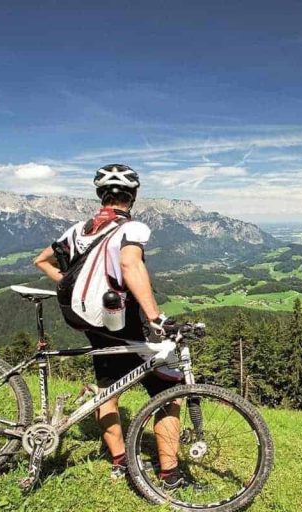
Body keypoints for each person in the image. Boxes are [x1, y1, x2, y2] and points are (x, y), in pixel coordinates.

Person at [33, 164, 184, 486]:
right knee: (170, 394)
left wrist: (69, 289)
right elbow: (130, 265)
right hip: (126, 323)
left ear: (100, 195)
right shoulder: (132, 229)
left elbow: (41, 260)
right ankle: (170, 475)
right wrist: (156, 317)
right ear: (134, 196)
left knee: (108, 392)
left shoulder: (76, 230)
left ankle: (119, 462)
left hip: (93, 323)